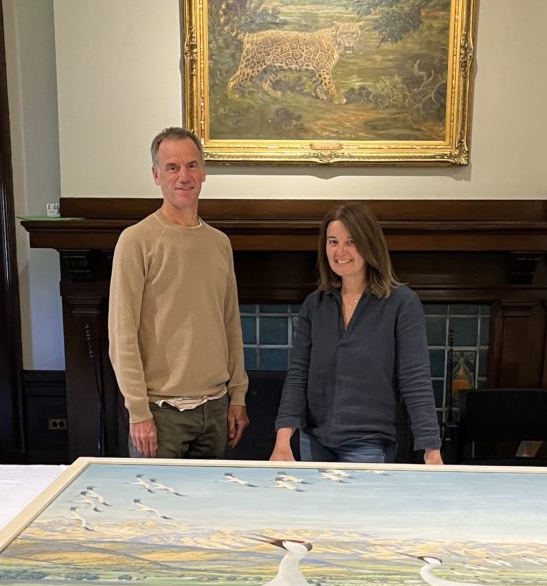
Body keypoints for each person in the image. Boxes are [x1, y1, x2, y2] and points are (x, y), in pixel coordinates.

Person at [108, 127, 248, 459]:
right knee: (157, 510)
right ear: (156, 175)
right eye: (172, 167)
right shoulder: (136, 240)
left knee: (209, 509)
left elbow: (230, 325)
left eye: (192, 165)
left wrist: (238, 396)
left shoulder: (219, 243)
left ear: (204, 172)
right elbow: (122, 333)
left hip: (216, 411)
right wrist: (138, 411)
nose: (184, 176)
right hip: (160, 415)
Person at [270, 203, 443, 465]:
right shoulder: (314, 305)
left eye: (351, 241)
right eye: (333, 241)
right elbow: (298, 375)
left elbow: (415, 379)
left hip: (370, 444)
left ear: (369, 244)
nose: (340, 251)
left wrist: (431, 451)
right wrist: (283, 440)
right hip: (314, 441)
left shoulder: (402, 303)